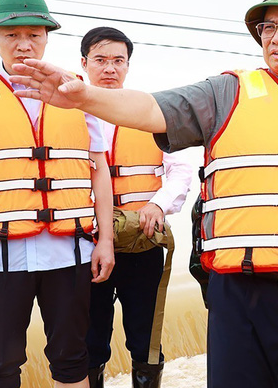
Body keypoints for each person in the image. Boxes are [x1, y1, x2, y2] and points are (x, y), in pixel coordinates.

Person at [9, 0, 278, 388]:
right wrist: (84, 96)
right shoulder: (225, 92)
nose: (276, 36)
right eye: (267, 27)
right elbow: (149, 108)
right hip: (242, 292)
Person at [0, 0, 115, 388]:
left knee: (73, 360)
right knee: (0, 363)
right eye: (12, 35)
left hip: (70, 252)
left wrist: (104, 242)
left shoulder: (75, 91)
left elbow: (99, 170)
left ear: (48, 37)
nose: (24, 45)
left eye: (34, 34)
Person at [79, 27, 192, 388]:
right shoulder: (68, 114)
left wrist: (159, 204)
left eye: (118, 61)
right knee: (90, 335)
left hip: (143, 240)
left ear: (128, 65)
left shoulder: (152, 114)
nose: (109, 68)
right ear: (84, 63)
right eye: (100, 60)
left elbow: (181, 170)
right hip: (87, 241)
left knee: (145, 335)